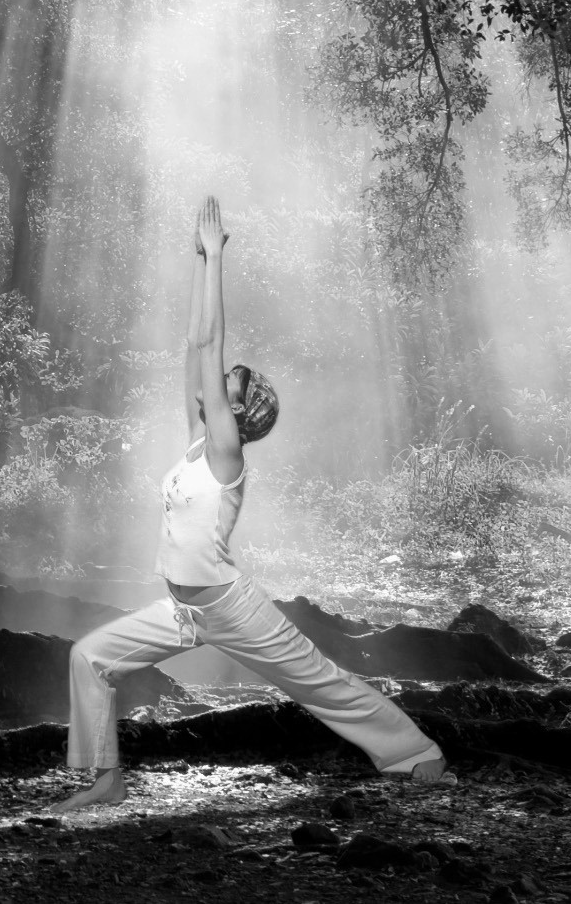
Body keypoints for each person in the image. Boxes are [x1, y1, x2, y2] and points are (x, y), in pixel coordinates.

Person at [48, 195, 452, 812]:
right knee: (89, 657)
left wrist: (216, 259)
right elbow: (196, 347)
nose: (216, 379)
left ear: (236, 411)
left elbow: (211, 346)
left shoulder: (225, 453)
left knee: (316, 679)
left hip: (231, 608)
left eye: (228, 383)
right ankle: (106, 780)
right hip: (183, 610)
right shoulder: (197, 440)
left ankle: (417, 754)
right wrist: (197, 261)